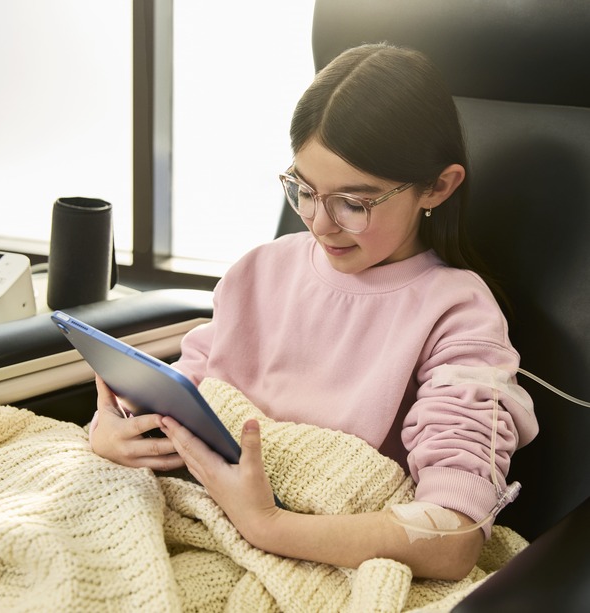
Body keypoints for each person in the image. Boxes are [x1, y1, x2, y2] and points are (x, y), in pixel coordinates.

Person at [91, 43, 539, 580]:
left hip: (311, 547)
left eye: (354, 202)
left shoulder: (459, 314)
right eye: (303, 189)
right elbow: (186, 400)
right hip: (189, 507)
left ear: (438, 187)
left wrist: (267, 524)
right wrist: (111, 431)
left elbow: (456, 535)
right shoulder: (260, 269)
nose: (318, 224)